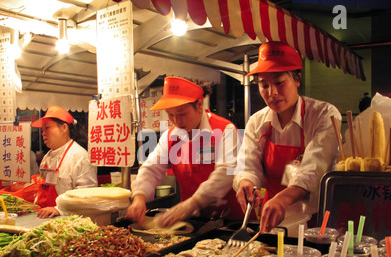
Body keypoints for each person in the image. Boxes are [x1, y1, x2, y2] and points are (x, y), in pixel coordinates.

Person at [233, 41, 342, 236]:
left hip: (314, 222)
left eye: (279, 82)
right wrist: (246, 183)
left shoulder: (324, 114)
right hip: (273, 220)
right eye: (264, 85)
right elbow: (248, 165)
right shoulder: (257, 121)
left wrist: (284, 199)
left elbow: (314, 169)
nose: (272, 93)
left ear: (297, 79)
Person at [127, 76, 242, 227]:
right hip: (193, 222)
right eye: (170, 114)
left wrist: (193, 203)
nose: (176, 121)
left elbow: (226, 173)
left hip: (231, 221)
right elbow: (151, 168)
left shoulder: (225, 130)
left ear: (199, 105)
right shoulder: (170, 137)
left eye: (182, 114)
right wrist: (139, 197)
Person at [31, 105, 97, 218]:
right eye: (42, 129)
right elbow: (42, 187)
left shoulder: (80, 156)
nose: (43, 133)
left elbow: (87, 193)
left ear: (64, 128)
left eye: (47, 128)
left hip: (68, 220)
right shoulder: (47, 157)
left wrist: (58, 209)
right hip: (43, 217)